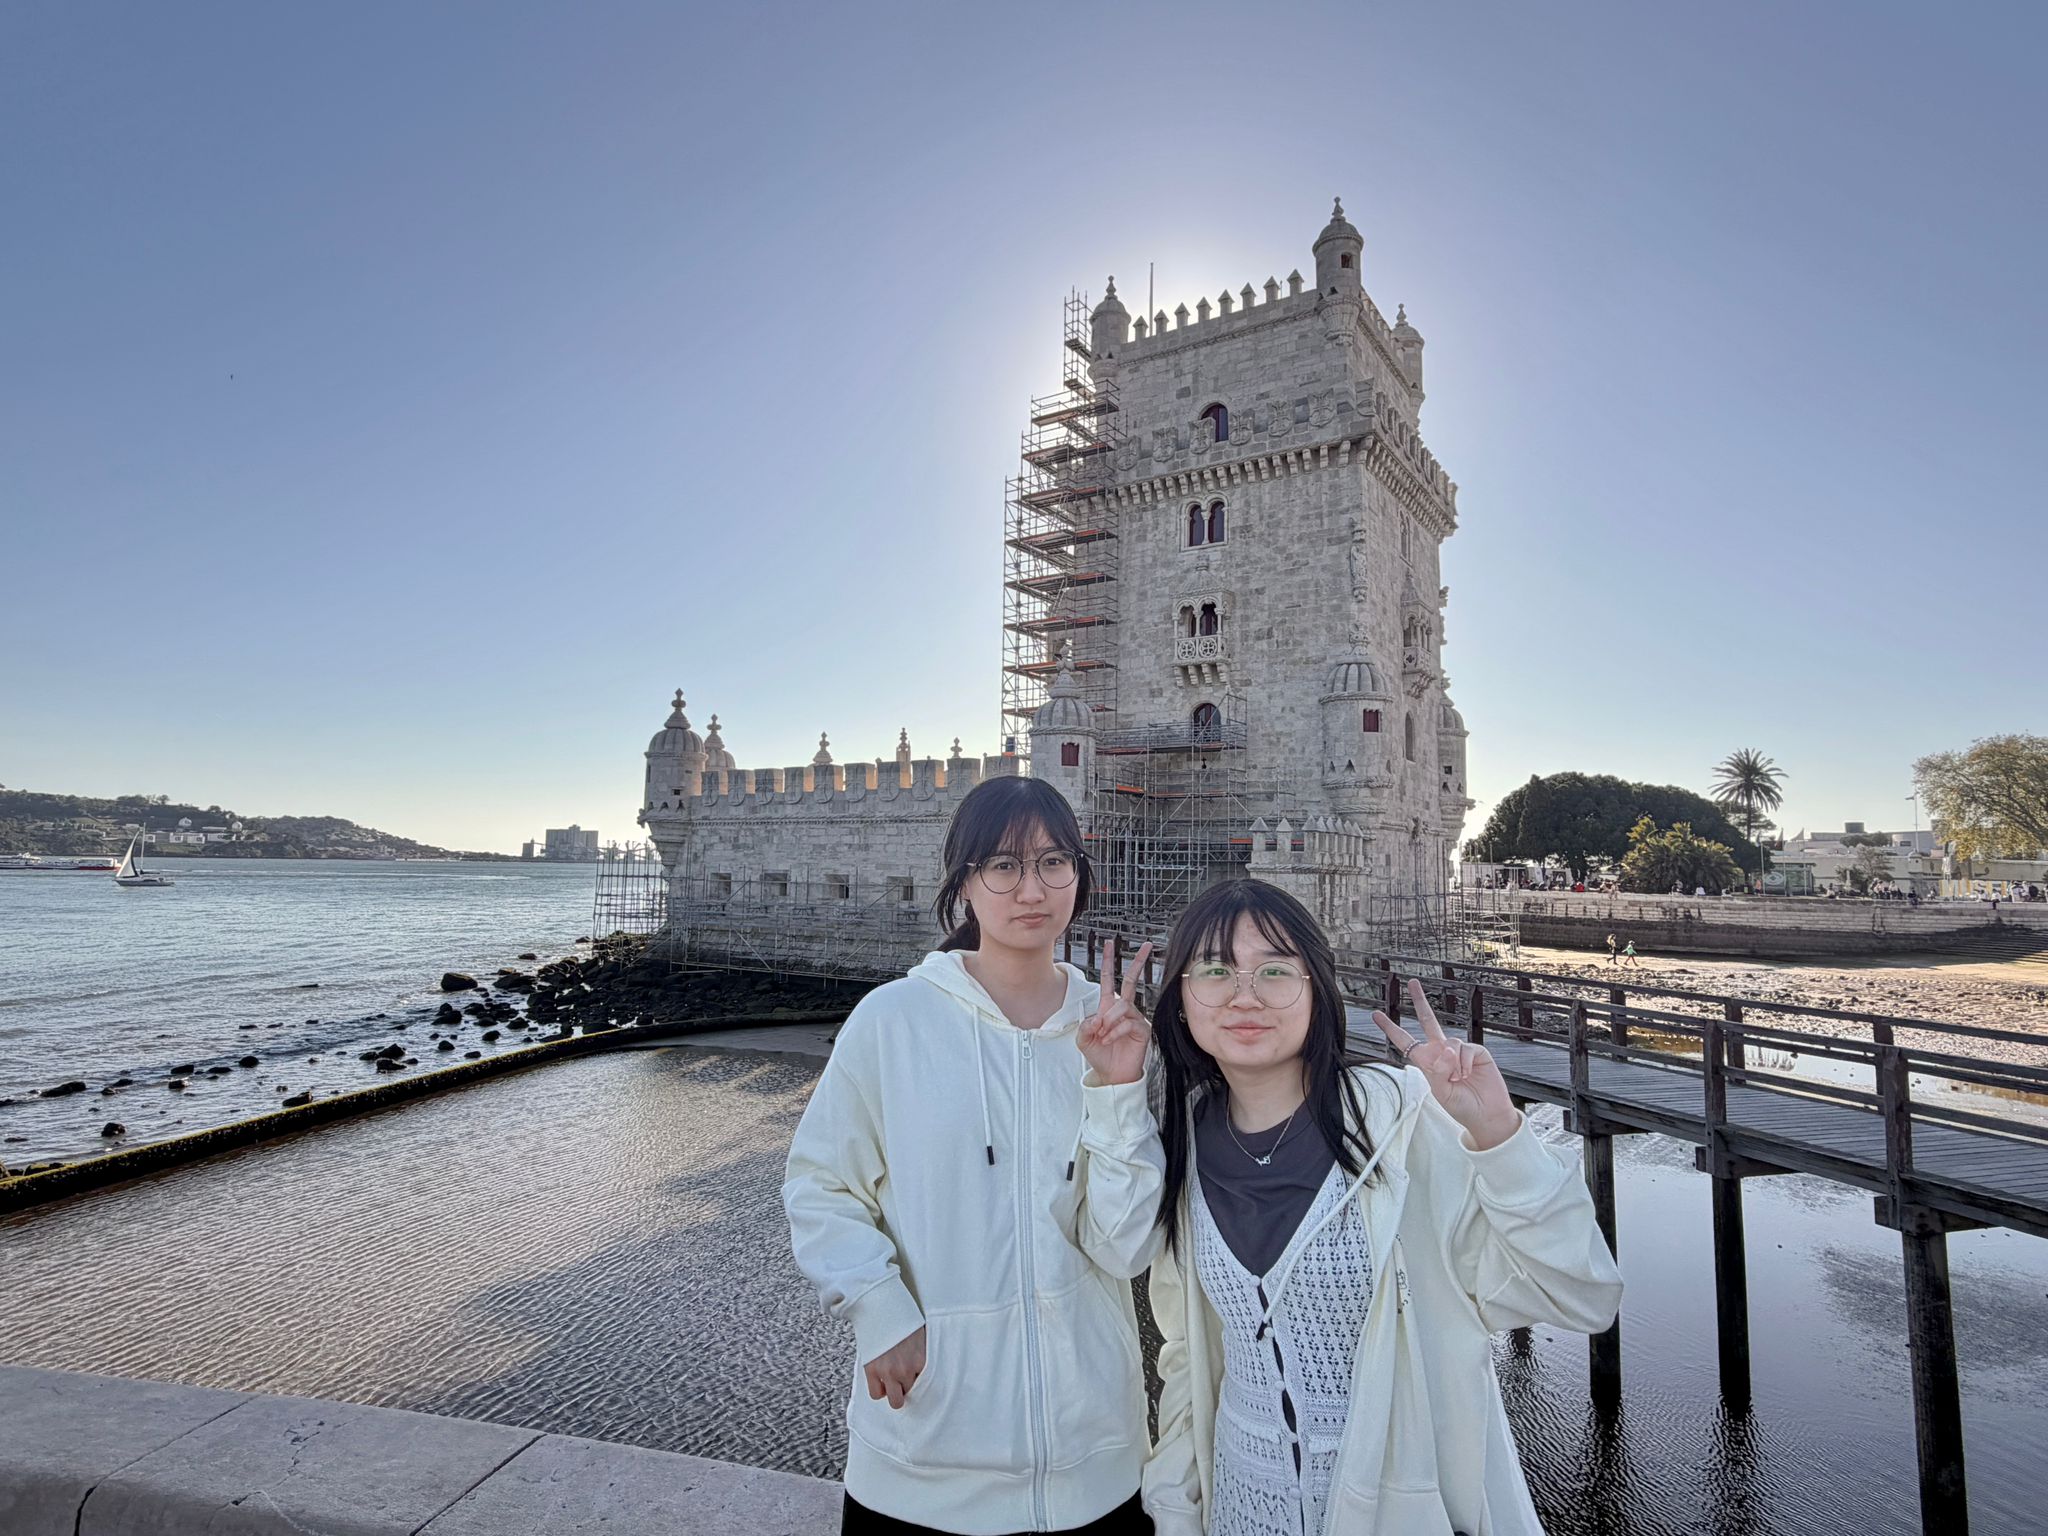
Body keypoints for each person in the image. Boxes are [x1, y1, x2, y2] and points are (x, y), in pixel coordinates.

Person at [1140, 879, 1621, 1536]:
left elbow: (1581, 1297)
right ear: (1180, 998)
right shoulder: (1184, 1141)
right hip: (1239, 1508)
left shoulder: (1402, 1128)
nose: (1244, 996)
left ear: (1318, 989)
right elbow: (1188, 1354)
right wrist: (1175, 1504)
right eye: (1215, 971)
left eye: (1275, 971)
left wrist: (1500, 1136)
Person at [784, 775, 1164, 1536]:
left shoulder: (1114, 1033)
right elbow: (822, 1184)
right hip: (921, 1464)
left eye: (1054, 862)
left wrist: (1119, 1091)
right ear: (963, 883)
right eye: (1003, 865)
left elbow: (1126, 1248)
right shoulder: (892, 1020)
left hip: (1096, 1465)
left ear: (1080, 876)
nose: (1032, 889)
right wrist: (879, 1309)